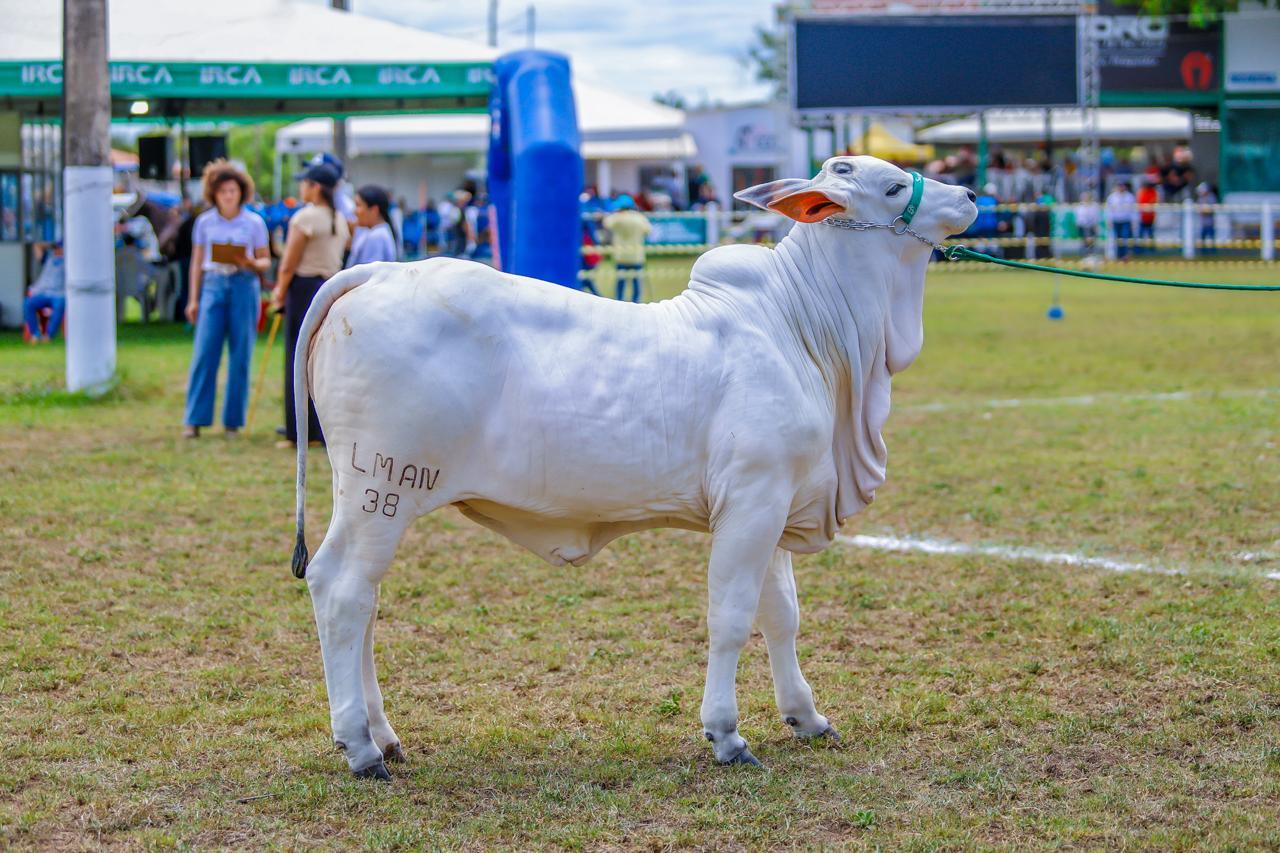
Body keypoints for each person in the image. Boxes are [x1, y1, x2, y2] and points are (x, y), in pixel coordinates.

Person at [182, 160, 271, 439]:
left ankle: (233, 421)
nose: (228, 196)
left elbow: (266, 260)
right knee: (204, 352)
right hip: (214, 283)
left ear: (241, 192)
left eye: (233, 191)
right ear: (214, 194)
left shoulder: (254, 222)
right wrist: (193, 299)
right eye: (223, 192)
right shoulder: (204, 222)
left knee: (241, 353)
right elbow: (197, 262)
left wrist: (251, 263)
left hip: (243, 284)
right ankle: (195, 419)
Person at [270, 161, 350, 448]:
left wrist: (279, 291)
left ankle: (299, 432)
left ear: (315, 187)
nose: (301, 187)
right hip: (329, 289)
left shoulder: (305, 218)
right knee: (323, 361)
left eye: (304, 183)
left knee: (298, 359)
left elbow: (288, 263)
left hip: (303, 289)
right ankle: (321, 429)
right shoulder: (339, 219)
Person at [602, 194, 651, 303]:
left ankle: (619, 302)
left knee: (621, 283)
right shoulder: (639, 217)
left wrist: (614, 213)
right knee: (636, 283)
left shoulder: (616, 218)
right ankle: (636, 303)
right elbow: (648, 230)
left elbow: (606, 223)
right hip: (636, 255)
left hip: (621, 256)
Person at [23, 241, 65, 343]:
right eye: (56, 248)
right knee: (28, 303)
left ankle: (48, 336)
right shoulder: (48, 259)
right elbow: (37, 246)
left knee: (59, 305)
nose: (57, 250)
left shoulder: (69, 261)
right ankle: (35, 335)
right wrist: (51, 245)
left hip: (58, 294)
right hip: (41, 293)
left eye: (59, 248)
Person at [347, 185, 398, 267]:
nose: (355, 211)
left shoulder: (377, 236)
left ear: (374, 210)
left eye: (358, 205)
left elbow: (367, 273)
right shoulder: (375, 232)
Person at [1106, 181, 1138, 259]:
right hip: (1116, 221)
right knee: (1117, 239)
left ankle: (1124, 255)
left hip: (1126, 220)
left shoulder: (1129, 197)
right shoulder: (1112, 197)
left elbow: (1133, 210)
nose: (1120, 188)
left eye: (1121, 186)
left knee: (1125, 237)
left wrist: (1134, 221)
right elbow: (1109, 211)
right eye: (1119, 186)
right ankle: (1118, 255)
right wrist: (1109, 220)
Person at [1136, 177, 1159, 253]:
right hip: (1142, 217)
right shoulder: (1142, 191)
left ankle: (1152, 251)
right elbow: (1141, 202)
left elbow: (1153, 202)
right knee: (1140, 235)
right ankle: (1139, 250)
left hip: (1151, 217)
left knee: (1150, 234)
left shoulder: (1153, 192)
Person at [1196, 182, 1218, 253]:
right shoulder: (1200, 199)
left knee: (1211, 237)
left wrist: (1205, 211)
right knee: (1202, 237)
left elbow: (1211, 210)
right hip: (1202, 223)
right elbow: (1199, 210)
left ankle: (1212, 251)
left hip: (1210, 223)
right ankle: (1203, 251)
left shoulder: (1211, 197)